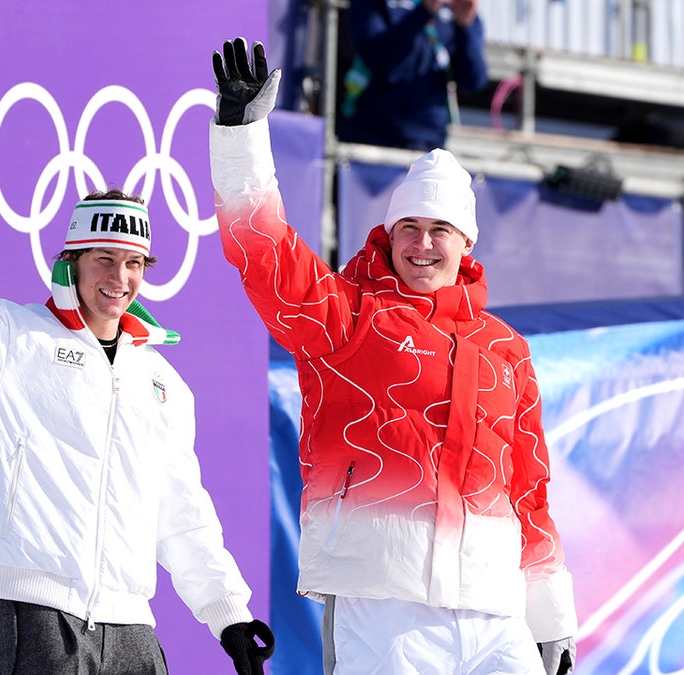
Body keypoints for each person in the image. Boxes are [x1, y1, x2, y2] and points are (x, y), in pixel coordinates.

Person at [210, 38, 576, 674]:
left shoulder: (506, 350)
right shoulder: (349, 317)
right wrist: (242, 134)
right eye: (409, 227)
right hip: (383, 601)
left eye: (440, 230)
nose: (422, 243)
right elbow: (264, 254)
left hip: (494, 609)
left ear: (466, 243)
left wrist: (553, 624)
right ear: (389, 233)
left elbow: (530, 491)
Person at [0, 147, 275, 675]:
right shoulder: (7, 338)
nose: (119, 277)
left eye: (133, 263)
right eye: (104, 258)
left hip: (132, 622)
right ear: (72, 259)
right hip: (39, 611)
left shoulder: (161, 382)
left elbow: (181, 512)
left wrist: (229, 615)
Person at [337, 0, 487, 151]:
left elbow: (474, 81)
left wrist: (465, 27)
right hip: (369, 134)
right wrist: (423, 12)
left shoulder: (455, 6)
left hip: (427, 140)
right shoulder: (374, 4)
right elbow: (374, 55)